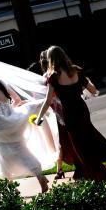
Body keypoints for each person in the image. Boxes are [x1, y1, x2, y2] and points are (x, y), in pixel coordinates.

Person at [33, 46, 106, 184]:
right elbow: (93, 90)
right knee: (88, 140)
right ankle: (96, 174)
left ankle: (97, 176)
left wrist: (39, 117)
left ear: (51, 59)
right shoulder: (76, 70)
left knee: (79, 146)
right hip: (82, 109)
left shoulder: (53, 76)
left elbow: (48, 100)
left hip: (69, 112)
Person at [0, 60, 53, 193]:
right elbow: (17, 100)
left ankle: (11, 188)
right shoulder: (1, 81)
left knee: (3, 154)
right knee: (21, 149)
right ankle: (39, 176)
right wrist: (10, 111)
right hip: (13, 118)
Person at [39, 49, 73, 182]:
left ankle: (60, 169)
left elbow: (47, 98)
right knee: (63, 141)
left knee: (60, 141)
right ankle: (60, 168)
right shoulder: (62, 72)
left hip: (56, 113)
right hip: (59, 111)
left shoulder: (49, 77)